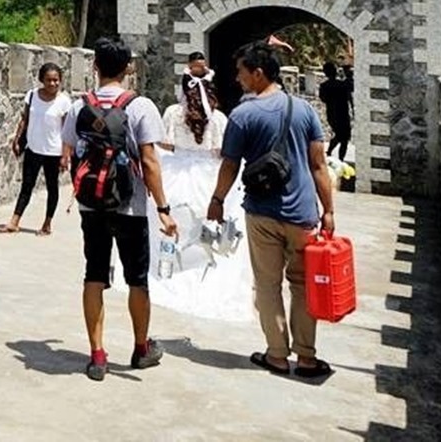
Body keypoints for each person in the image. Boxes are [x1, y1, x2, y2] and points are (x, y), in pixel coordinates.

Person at [207, 40, 336, 379]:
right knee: (303, 284)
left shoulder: (243, 115)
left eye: (241, 73)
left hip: (262, 213)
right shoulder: (304, 110)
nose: (237, 79)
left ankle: (277, 355)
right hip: (304, 213)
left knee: (267, 284)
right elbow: (318, 164)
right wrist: (329, 210)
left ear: (258, 73)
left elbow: (230, 165)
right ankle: (307, 358)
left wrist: (217, 199)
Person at [62, 37, 177, 381]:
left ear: (94, 66)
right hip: (130, 207)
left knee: (94, 275)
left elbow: (69, 151)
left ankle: (97, 355)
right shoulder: (140, 107)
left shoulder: (77, 105)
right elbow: (150, 161)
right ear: (129, 68)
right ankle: (142, 349)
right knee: (137, 279)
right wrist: (163, 208)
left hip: (90, 205)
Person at [149, 62, 254, 323]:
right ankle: (203, 269)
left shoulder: (174, 112)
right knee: (205, 228)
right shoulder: (218, 118)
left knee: (172, 225)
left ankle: (169, 269)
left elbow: (164, 141)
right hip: (208, 174)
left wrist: (181, 151)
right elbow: (222, 151)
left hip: (176, 172)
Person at [1, 63, 73, 235]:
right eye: (49, 80)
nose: (53, 84)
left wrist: (65, 155)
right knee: (27, 185)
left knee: (52, 187)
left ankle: (47, 223)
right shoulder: (32, 95)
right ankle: (14, 221)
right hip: (34, 148)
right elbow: (25, 119)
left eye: (56, 80)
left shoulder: (64, 102)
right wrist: (17, 138)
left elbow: (67, 130)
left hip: (53, 152)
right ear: (42, 80)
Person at [318, 62, 352, 162]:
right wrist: (347, 72)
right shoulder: (342, 85)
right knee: (344, 138)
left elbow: (323, 99)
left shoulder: (324, 86)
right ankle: (340, 158)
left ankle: (329, 151)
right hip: (343, 114)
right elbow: (351, 85)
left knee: (340, 135)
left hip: (332, 114)